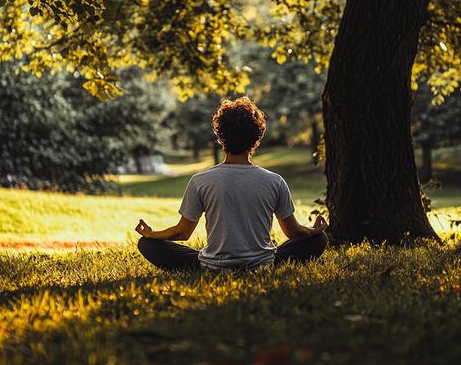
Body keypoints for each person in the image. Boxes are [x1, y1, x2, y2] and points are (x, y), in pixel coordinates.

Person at [136, 96, 328, 271]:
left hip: (212, 267)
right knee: (319, 239)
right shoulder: (274, 181)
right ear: (256, 139)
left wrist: (153, 234)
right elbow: (294, 232)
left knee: (146, 244)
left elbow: (182, 232)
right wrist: (314, 230)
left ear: (220, 139)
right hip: (262, 264)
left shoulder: (200, 181)